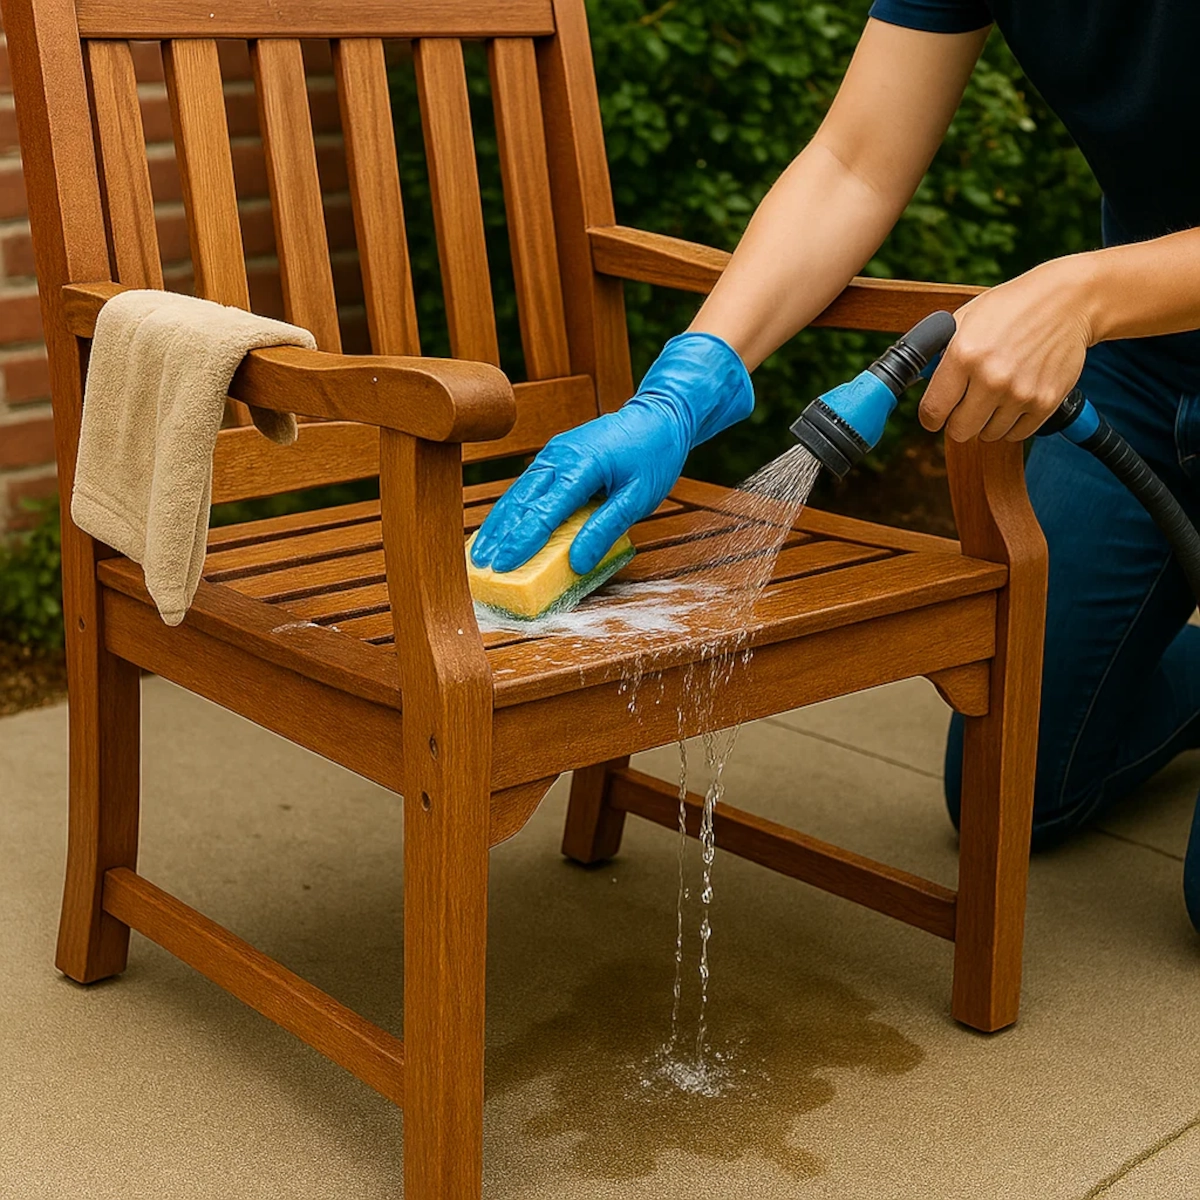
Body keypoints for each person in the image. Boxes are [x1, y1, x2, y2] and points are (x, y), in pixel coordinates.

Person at [471, 3, 1200, 928]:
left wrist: (1091, 289)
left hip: (1123, 313)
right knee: (1016, 790)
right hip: (1148, 366)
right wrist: (680, 392)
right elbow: (856, 159)